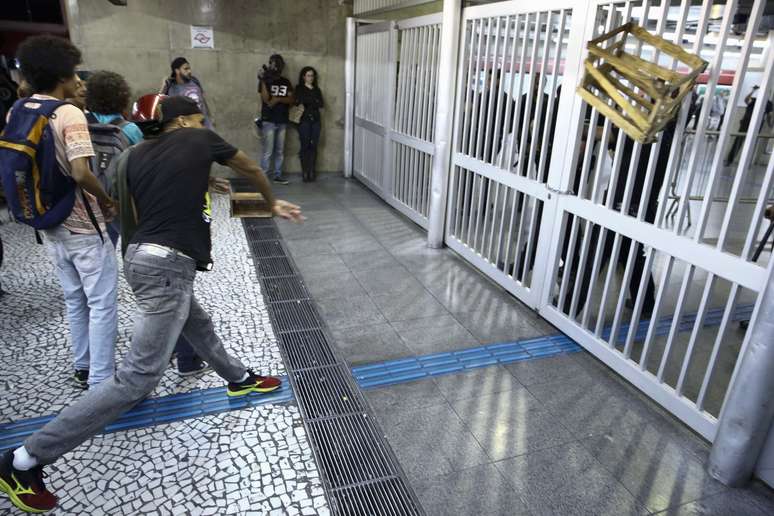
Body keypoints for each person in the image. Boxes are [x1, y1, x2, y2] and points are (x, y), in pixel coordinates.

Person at [0, 95, 304, 513]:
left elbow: (136, 207)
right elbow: (250, 168)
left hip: (140, 258)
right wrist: (270, 203)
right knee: (135, 380)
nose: (202, 121)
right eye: (199, 116)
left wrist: (206, 187)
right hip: (167, 267)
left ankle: (239, 378)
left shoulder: (135, 154)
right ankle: (24, 459)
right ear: (184, 120)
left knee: (199, 324)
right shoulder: (199, 137)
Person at [2, 36, 119, 395]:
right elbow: (82, 173)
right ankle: (101, 380)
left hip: (47, 221)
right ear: (62, 74)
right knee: (101, 301)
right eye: (74, 72)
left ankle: (82, 366)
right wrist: (107, 201)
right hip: (82, 223)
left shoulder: (19, 109)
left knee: (74, 298)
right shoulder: (68, 113)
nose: (78, 80)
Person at [85, 70, 144, 247]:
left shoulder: (83, 126)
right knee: (135, 243)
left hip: (93, 197)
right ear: (123, 98)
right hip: (123, 201)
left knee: (104, 247)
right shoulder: (130, 129)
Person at [258, 54, 294, 184]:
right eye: (272, 63)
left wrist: (278, 99)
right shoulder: (266, 80)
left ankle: (278, 175)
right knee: (268, 151)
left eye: (277, 64)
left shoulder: (286, 81)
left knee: (279, 150)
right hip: (269, 120)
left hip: (282, 120)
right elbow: (266, 99)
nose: (275, 66)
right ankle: (263, 178)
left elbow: (291, 99)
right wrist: (262, 80)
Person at [725, 85, 773, 166]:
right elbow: (746, 100)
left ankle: (746, 163)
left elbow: (769, 115)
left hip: (757, 126)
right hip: (746, 123)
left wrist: (770, 125)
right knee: (738, 141)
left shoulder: (769, 103)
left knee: (751, 144)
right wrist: (753, 91)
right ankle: (730, 160)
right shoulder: (754, 100)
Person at [160, 57, 212, 128]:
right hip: (189, 128)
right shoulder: (171, 87)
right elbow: (160, 103)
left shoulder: (195, 81)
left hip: (205, 124)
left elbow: (203, 100)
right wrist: (163, 87)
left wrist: (210, 117)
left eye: (189, 68)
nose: (189, 71)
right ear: (177, 71)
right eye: (186, 69)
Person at [295, 66, 324, 182]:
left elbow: (321, 104)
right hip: (304, 121)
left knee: (314, 146)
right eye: (308, 75)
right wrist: (313, 101)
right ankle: (305, 172)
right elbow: (299, 100)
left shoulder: (317, 89)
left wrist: (309, 101)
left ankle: (312, 171)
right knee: (305, 146)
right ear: (303, 77)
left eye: (312, 75)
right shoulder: (299, 88)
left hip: (316, 120)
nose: (310, 78)